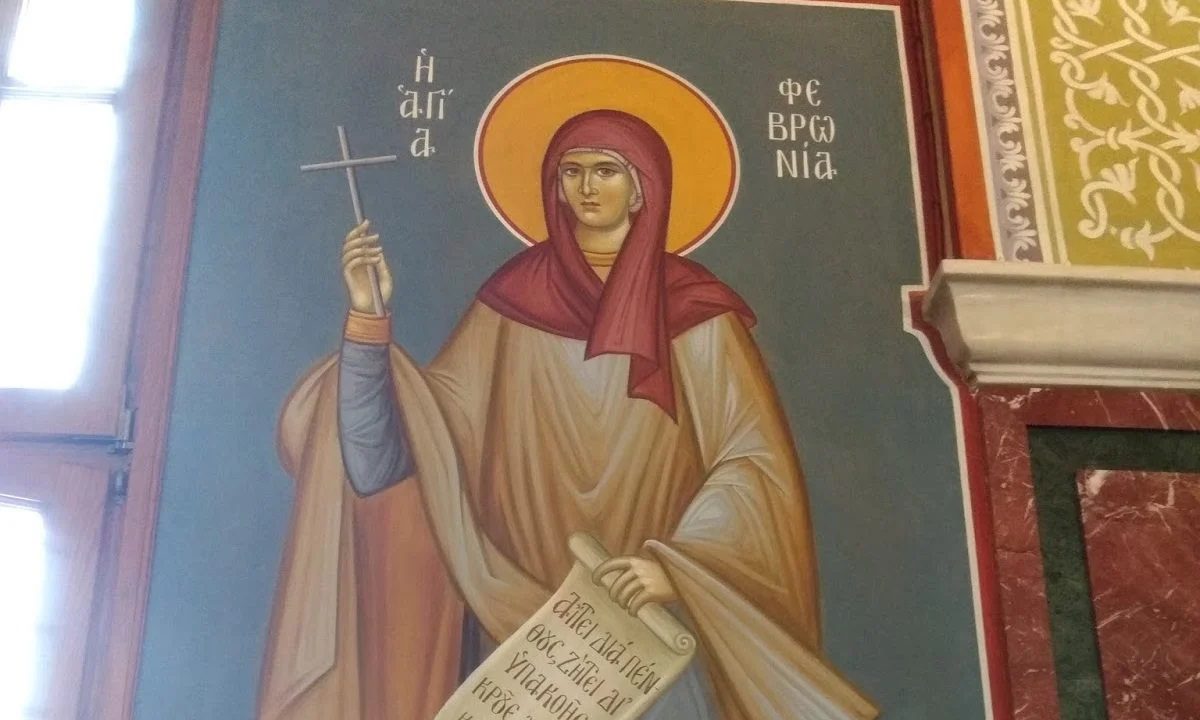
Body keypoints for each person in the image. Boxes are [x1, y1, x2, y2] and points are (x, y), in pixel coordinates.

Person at [259, 110, 828, 719]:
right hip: (522, 633)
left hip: (645, 627)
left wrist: (676, 569)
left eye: (606, 171)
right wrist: (369, 320)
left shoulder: (697, 317)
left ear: (643, 188)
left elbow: (751, 469)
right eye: (571, 172)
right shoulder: (512, 303)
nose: (586, 187)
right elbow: (416, 447)